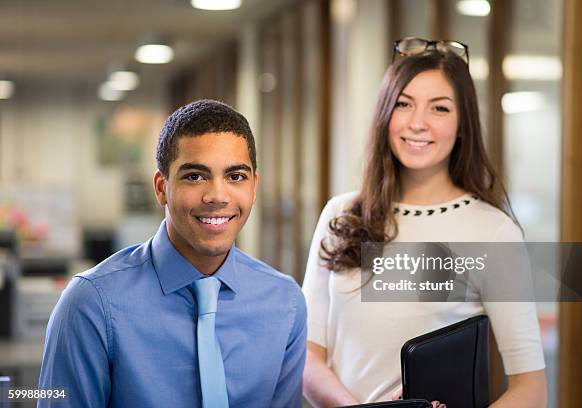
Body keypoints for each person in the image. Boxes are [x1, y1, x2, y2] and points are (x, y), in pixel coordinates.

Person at [302, 38, 547, 407]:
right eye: (403, 104)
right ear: (386, 113)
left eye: (440, 108)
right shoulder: (340, 214)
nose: (417, 123)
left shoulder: (493, 232)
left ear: (463, 124)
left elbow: (531, 389)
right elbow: (307, 355)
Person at [38, 100, 306, 408]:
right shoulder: (91, 303)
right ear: (161, 187)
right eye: (195, 176)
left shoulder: (285, 302)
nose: (217, 196)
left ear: (254, 186)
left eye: (235, 176)